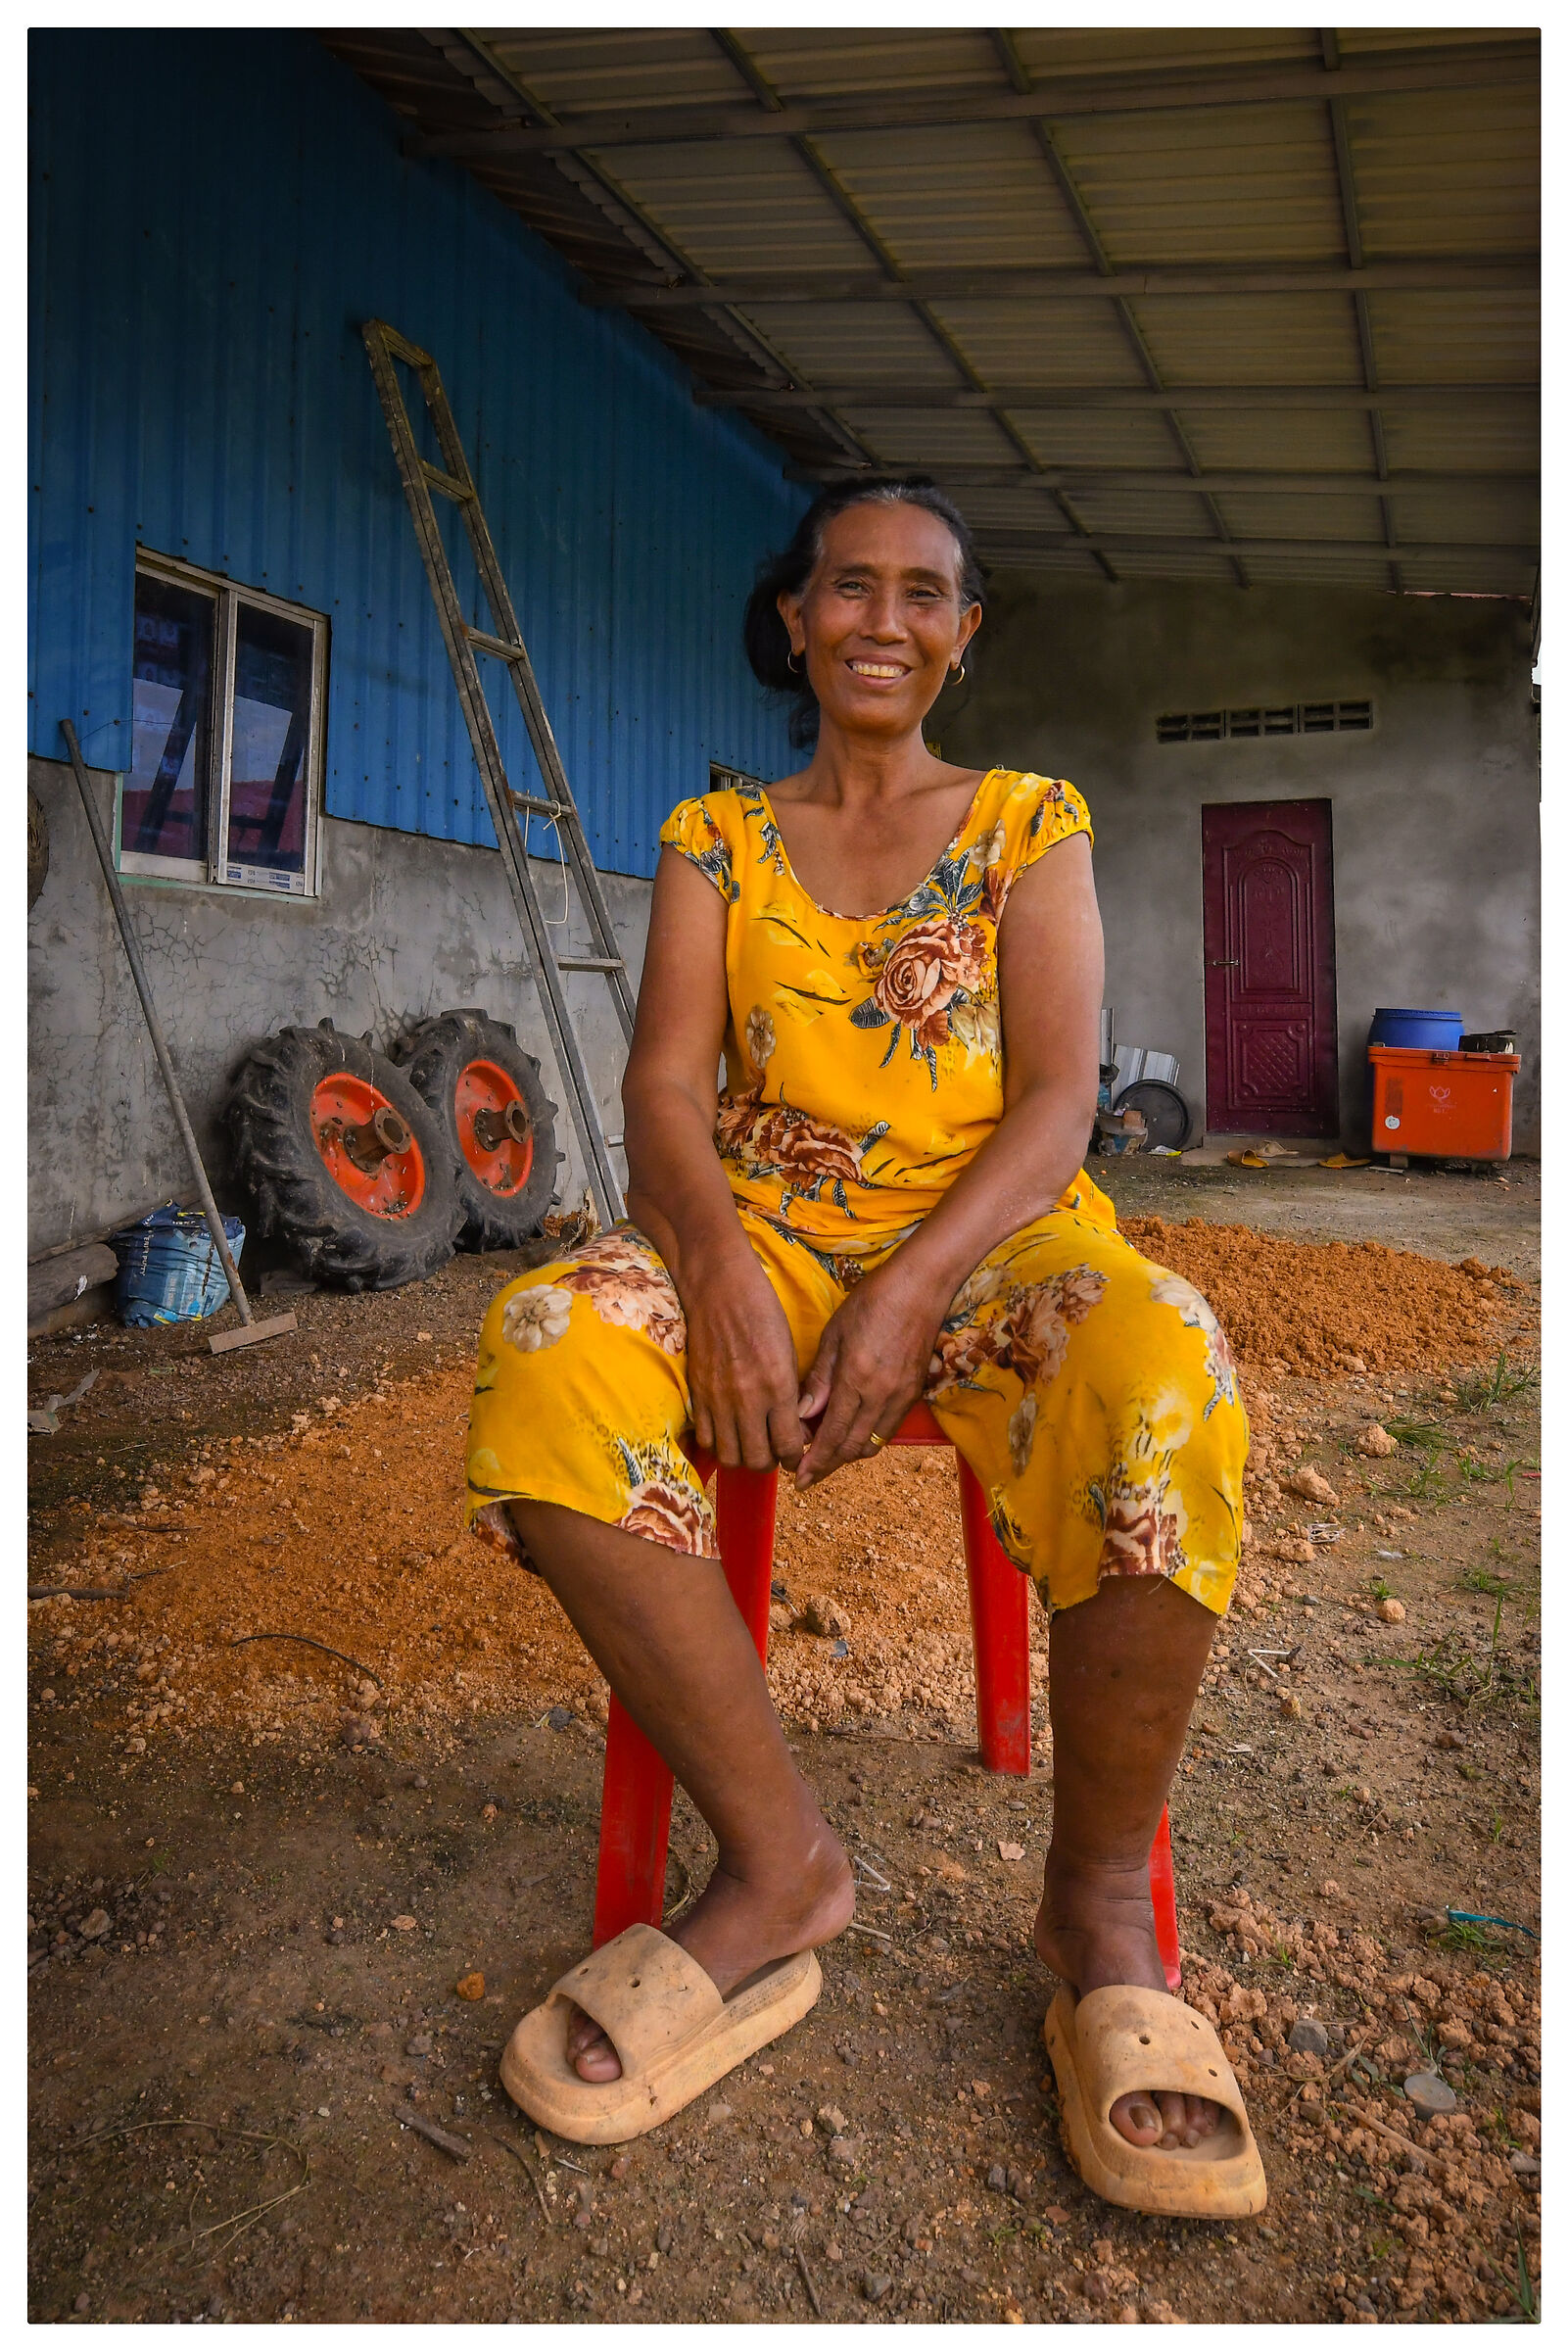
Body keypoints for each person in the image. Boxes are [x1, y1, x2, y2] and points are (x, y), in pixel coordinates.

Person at [466, 477, 1256, 2195]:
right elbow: (665, 1083)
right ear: (792, 620)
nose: (881, 621)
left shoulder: (1028, 821)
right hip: (757, 1231)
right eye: (847, 589)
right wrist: (719, 1266)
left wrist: (909, 1293)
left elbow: (1057, 1096)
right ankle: (778, 1865)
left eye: (922, 594)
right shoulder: (714, 837)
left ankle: (1100, 1910)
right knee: (549, 1340)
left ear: (962, 635)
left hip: (991, 1238)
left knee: (1159, 1360)